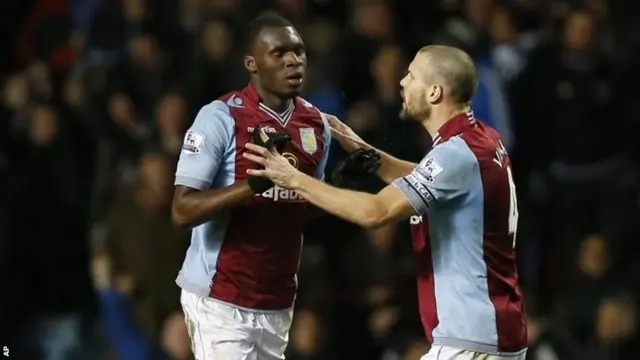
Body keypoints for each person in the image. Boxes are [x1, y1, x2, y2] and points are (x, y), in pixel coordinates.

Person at [243, 45, 528, 360]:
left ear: (434, 92)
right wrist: (362, 149)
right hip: (489, 332)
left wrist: (291, 177)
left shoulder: (455, 155)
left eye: (412, 75)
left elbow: (375, 211)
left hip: (472, 339)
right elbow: (430, 179)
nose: (403, 82)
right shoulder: (481, 139)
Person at [171, 12, 331, 360]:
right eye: (280, 53)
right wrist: (251, 186)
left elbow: (299, 207)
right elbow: (182, 210)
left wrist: (340, 186)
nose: (293, 61)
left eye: (299, 52)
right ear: (252, 63)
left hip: (277, 299)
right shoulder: (219, 117)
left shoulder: (316, 125)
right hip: (221, 297)